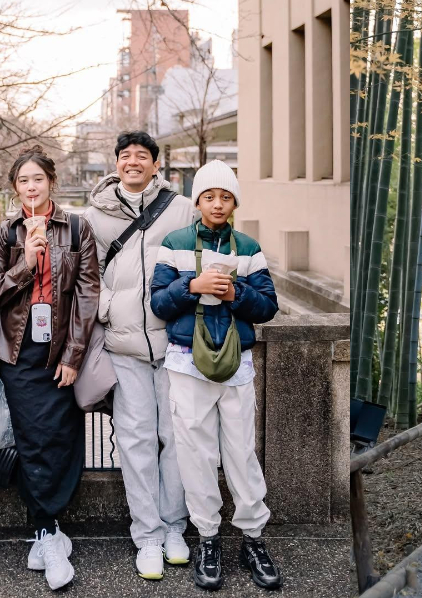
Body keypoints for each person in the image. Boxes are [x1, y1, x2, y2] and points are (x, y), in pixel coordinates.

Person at [149, 160, 282, 591]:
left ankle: (253, 538)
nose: (218, 204)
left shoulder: (248, 247)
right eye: (210, 196)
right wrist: (193, 285)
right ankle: (207, 537)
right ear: (198, 201)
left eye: (226, 197)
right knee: (195, 453)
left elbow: (267, 307)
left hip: (237, 364)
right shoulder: (174, 242)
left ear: (235, 202)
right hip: (187, 361)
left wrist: (236, 291)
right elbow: (158, 304)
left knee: (241, 453)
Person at [0, 146, 101, 590]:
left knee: (65, 434)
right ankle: (47, 529)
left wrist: (73, 356)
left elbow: (88, 294)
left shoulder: (76, 227)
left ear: (51, 180)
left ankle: (45, 526)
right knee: (32, 438)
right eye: (23, 182)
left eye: (38, 179)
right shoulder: (5, 232)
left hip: (61, 346)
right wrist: (26, 263)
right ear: (15, 189)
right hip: (19, 351)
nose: (31, 188)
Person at [84, 131, 197, 580]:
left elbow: (199, 261)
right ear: (116, 163)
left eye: (142, 156)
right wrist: (109, 308)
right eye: (125, 156)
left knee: (176, 438)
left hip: (175, 345)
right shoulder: (93, 216)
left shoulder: (182, 208)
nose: (133, 162)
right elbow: (85, 277)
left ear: (155, 164)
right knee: (135, 442)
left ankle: (175, 527)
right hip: (124, 345)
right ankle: (147, 534)